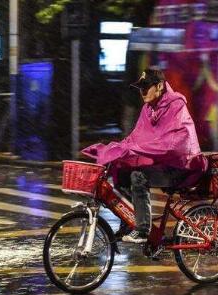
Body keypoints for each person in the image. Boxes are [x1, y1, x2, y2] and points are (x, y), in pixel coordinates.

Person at [82, 68, 207, 243]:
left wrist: (137, 149)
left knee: (138, 176)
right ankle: (130, 221)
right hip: (163, 165)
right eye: (140, 88)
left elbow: (173, 144)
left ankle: (143, 230)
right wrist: (112, 149)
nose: (142, 92)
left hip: (180, 166)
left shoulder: (176, 105)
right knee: (121, 173)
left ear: (160, 86)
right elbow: (134, 138)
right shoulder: (148, 110)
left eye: (146, 87)